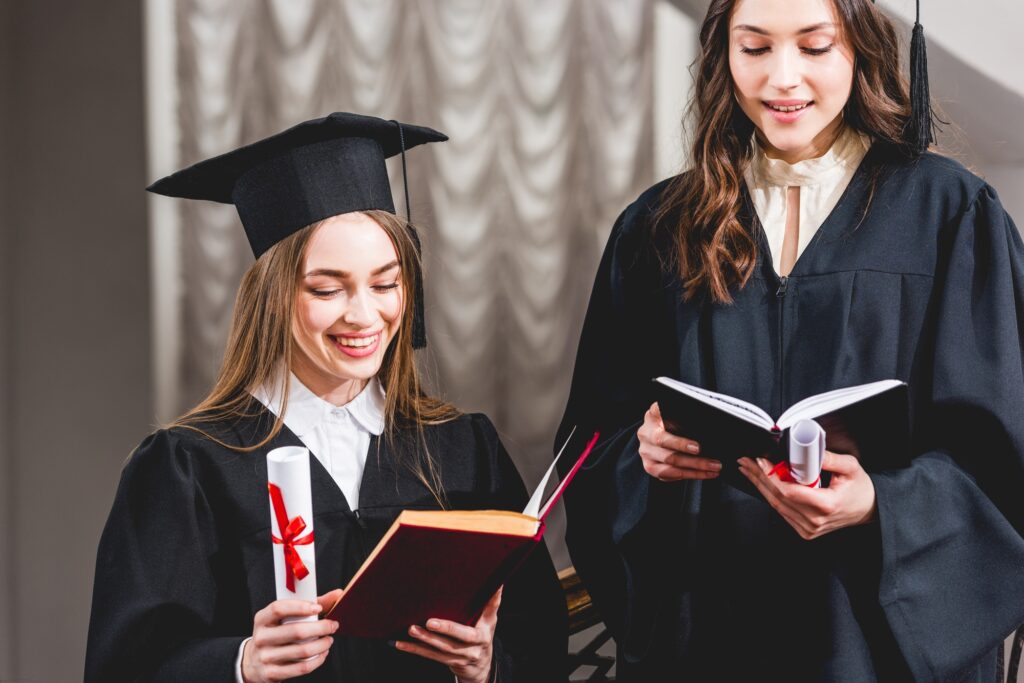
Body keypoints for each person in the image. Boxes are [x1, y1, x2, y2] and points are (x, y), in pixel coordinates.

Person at [557, 0, 1024, 680]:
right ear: (724, 56)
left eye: (813, 46)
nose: (782, 78)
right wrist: (642, 453)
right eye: (755, 48)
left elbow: (1005, 453)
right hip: (706, 637)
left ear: (860, 50)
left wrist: (880, 504)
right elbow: (592, 441)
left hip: (868, 646)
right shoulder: (660, 226)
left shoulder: (951, 215)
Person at [85, 112, 566, 683]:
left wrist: (485, 668)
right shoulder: (190, 466)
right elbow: (127, 667)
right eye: (327, 288)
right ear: (273, 295)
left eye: (386, 284)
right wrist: (242, 663)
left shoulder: (463, 450)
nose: (364, 315)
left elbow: (541, 648)